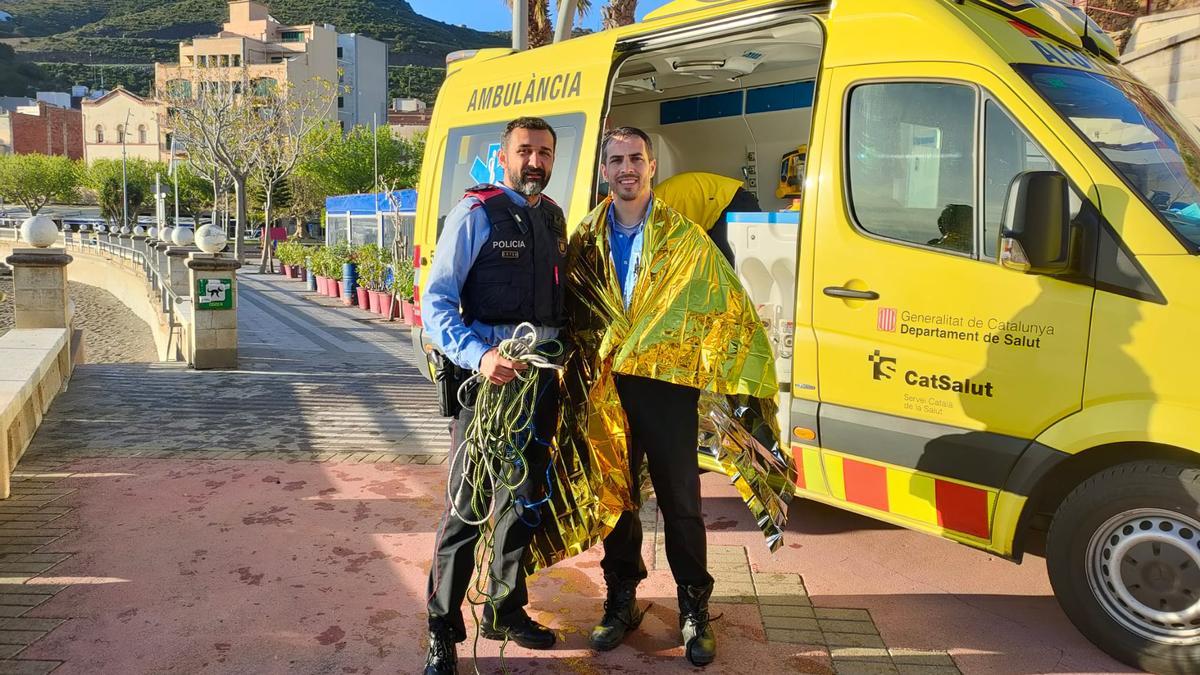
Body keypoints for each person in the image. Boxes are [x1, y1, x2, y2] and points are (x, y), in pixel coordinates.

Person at [564, 127, 779, 667]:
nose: (626, 169)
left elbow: (725, 306)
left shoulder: (684, 237)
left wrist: (738, 374)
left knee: (682, 505)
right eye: (616, 161)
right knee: (616, 499)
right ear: (605, 171)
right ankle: (620, 601)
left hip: (666, 388)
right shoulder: (586, 237)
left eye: (635, 158)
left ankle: (694, 609)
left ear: (652, 166)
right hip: (608, 390)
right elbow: (572, 309)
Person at [420, 116, 568, 675]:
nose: (535, 161)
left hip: (539, 384)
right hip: (487, 386)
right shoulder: (475, 213)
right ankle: (441, 631)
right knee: (467, 508)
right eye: (525, 151)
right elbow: (434, 305)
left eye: (545, 153)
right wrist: (480, 356)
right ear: (502, 157)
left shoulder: (553, 219)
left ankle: (505, 609)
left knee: (524, 502)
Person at [653, 171, 762, 265]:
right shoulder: (651, 203)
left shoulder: (650, 211)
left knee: (727, 274)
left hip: (731, 205)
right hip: (728, 202)